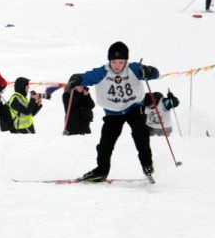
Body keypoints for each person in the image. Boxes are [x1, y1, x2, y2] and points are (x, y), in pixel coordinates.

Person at [67, 41, 160, 182]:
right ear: (109, 61)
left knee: (140, 134)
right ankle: (101, 171)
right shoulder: (103, 72)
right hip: (113, 113)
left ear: (126, 61)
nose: (117, 65)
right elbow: (88, 76)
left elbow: (155, 74)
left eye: (121, 62)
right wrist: (78, 78)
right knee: (105, 144)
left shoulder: (133, 68)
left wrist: (149, 71)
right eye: (114, 62)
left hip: (134, 107)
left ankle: (147, 165)